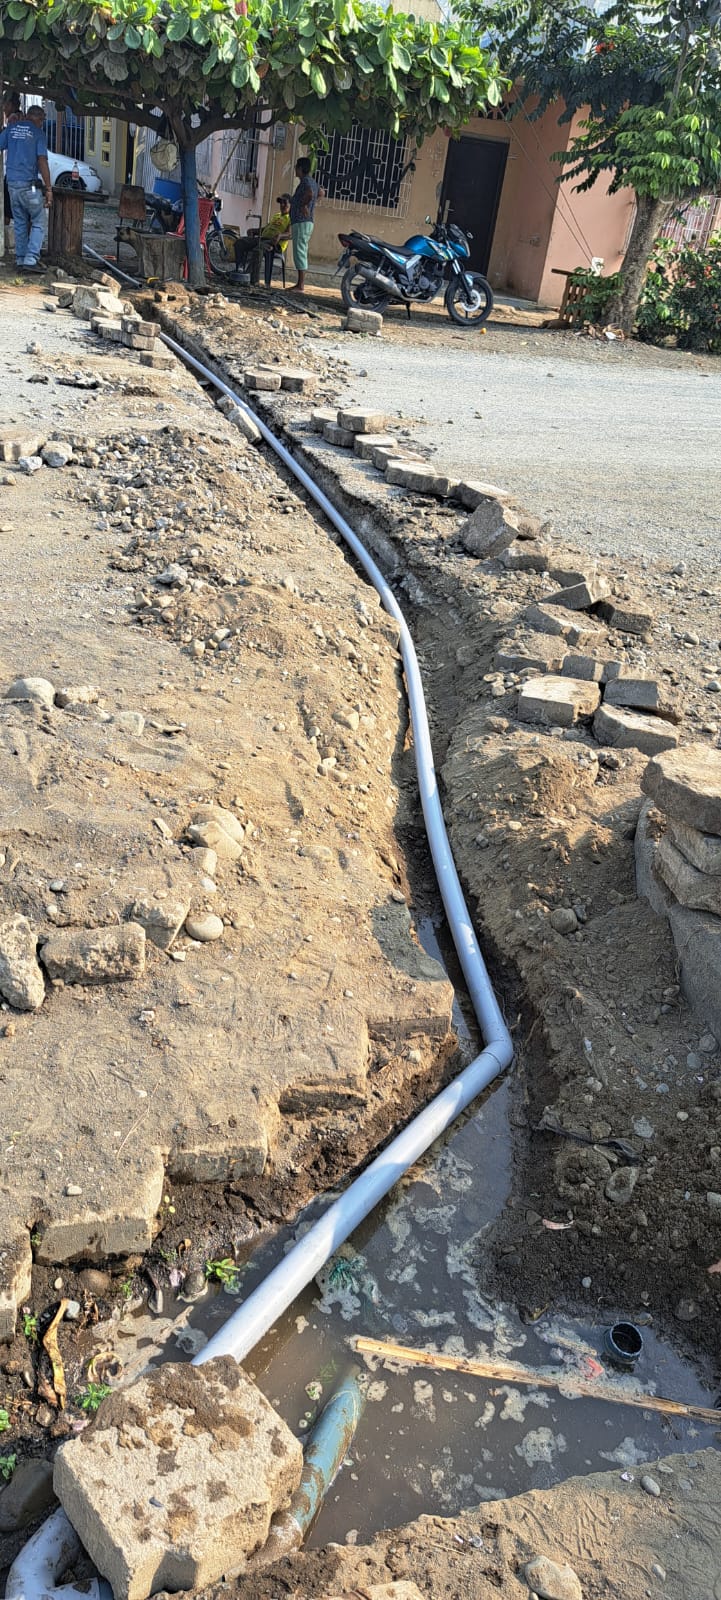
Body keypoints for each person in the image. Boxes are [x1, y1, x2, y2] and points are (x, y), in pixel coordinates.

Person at [0, 103, 52, 272]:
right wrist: (49, 189)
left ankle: (21, 259)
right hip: (29, 186)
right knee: (38, 220)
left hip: (12, 184)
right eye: (42, 120)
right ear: (35, 118)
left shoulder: (12, 129)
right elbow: (42, 161)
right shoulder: (38, 133)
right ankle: (31, 259)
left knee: (20, 222)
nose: (42, 124)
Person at [231, 195, 291, 286]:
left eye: (285, 203)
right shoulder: (277, 216)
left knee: (258, 249)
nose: (282, 205)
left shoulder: (291, 218)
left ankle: (252, 279)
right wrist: (254, 231)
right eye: (281, 203)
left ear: (291, 205)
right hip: (263, 239)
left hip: (275, 243)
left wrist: (280, 235)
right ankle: (239, 270)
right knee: (240, 242)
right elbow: (265, 229)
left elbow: (290, 234)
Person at [289, 156, 321, 293]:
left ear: (301, 168)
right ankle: (299, 283)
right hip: (304, 221)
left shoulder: (306, 182)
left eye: (296, 167)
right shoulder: (312, 181)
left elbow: (309, 193)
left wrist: (304, 205)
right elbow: (321, 192)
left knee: (300, 251)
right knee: (300, 250)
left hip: (302, 221)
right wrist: (313, 204)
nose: (295, 170)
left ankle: (300, 285)